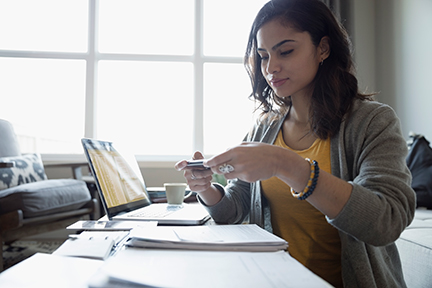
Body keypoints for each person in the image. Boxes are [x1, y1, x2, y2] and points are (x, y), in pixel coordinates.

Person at [175, 0, 416, 287]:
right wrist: (208, 191)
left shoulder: (372, 122)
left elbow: (386, 221)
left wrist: (285, 164)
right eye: (263, 56)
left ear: (323, 48)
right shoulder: (265, 126)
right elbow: (235, 207)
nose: (271, 67)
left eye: (286, 51)